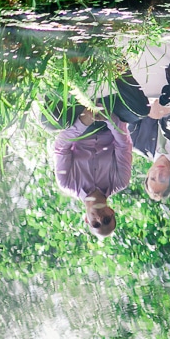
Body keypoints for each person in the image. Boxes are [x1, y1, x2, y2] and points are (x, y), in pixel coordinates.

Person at [48, 73, 148, 237]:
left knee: (50, 120)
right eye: (107, 220)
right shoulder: (120, 181)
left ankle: (61, 68)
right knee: (141, 110)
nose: (100, 218)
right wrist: (109, 118)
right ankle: (117, 65)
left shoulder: (67, 183)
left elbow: (61, 147)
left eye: (96, 224)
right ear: (111, 211)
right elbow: (124, 145)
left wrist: (83, 121)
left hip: (80, 127)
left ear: (86, 220)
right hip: (109, 121)